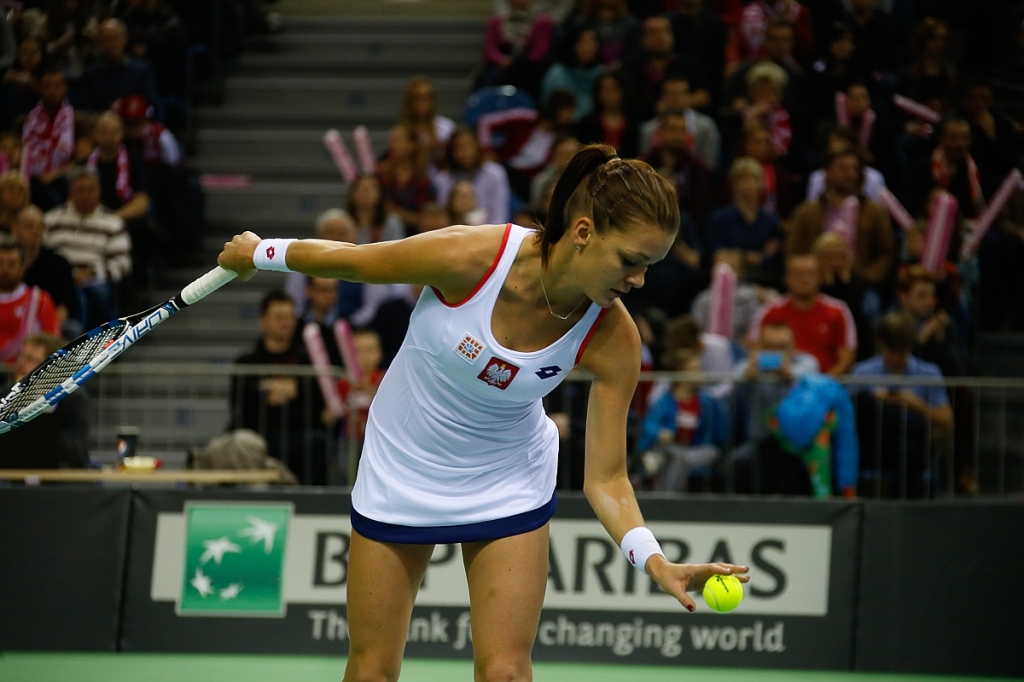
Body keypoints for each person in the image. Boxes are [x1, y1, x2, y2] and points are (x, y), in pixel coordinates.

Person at [217, 144, 749, 681]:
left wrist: (655, 560)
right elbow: (353, 261)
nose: (638, 281)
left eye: (649, 267)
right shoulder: (472, 258)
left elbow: (607, 479)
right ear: (584, 231)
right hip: (403, 459)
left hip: (507, 473)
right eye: (631, 261)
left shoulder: (613, 337)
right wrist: (260, 252)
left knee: (506, 672)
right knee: (372, 669)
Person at [850, 311, 953, 499]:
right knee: (863, 401)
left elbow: (947, 421)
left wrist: (916, 405)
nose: (897, 357)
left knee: (913, 446)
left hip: (911, 443)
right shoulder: (862, 372)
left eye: (902, 351)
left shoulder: (928, 373)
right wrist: (877, 403)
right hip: (874, 443)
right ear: (881, 343)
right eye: (892, 350)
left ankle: (899, 507)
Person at [230, 289, 328, 486]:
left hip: (299, 434)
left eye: (290, 317)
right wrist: (281, 392)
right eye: (279, 317)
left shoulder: (308, 361)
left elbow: (317, 402)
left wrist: (277, 390)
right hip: (259, 434)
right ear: (263, 319)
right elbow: (240, 403)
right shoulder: (247, 361)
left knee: (319, 443)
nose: (286, 323)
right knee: (240, 442)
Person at [787, 148, 895, 289]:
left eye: (854, 169)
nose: (850, 174)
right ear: (827, 171)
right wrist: (807, 276)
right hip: (816, 283)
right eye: (843, 169)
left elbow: (886, 252)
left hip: (861, 283)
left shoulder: (873, 211)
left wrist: (869, 277)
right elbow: (794, 251)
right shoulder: (808, 212)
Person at [43, 167, 131, 328]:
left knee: (96, 293)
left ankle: (101, 339)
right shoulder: (51, 219)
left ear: (99, 192)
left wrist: (94, 273)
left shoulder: (113, 223)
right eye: (80, 190)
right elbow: (41, 254)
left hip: (94, 279)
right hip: (57, 280)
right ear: (70, 193)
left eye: (90, 190)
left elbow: (122, 263)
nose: (85, 195)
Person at [632, 349, 728, 492]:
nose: (701, 373)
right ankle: (668, 497)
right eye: (695, 370)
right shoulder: (664, 400)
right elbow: (649, 425)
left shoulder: (706, 402)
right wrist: (660, 433)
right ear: (681, 374)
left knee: (706, 453)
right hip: (667, 449)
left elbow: (716, 433)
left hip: (693, 451)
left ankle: (665, 497)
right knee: (677, 457)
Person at [750, 253, 857, 375]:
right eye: (798, 274)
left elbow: (846, 359)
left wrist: (821, 383)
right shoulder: (769, 310)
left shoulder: (838, 311)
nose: (805, 280)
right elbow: (755, 350)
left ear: (820, 277)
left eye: (810, 274)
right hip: (778, 380)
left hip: (823, 382)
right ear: (786, 278)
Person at [0, 333, 89, 469]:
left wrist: (42, 407)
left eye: (31, 359)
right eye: (21, 356)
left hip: (56, 476)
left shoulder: (73, 399)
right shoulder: (5, 396)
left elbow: (76, 450)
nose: (22, 363)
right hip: (11, 476)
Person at [706, 157, 783, 286]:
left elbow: (775, 261)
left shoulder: (772, 220)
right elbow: (719, 255)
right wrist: (754, 257)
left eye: (755, 179)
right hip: (731, 281)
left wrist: (740, 256)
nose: (750, 185)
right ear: (733, 184)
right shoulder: (720, 218)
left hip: (766, 281)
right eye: (744, 180)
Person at [10, 205, 79, 332]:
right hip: (9, 323)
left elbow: (64, 308)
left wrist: (44, 330)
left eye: (40, 226)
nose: (36, 231)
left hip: (47, 329)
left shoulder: (59, 264)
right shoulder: (5, 263)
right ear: (15, 228)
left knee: (72, 329)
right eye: (29, 226)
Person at [637, 73, 720, 171]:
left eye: (681, 93)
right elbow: (643, 167)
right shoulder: (648, 129)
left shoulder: (706, 126)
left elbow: (709, 165)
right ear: (663, 97)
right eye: (672, 94)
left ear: (689, 95)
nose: (677, 98)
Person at [74, 18, 160, 112]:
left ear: (125, 39)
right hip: (102, 119)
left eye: (115, 38)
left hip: (134, 117)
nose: (111, 44)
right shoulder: (91, 74)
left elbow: (150, 104)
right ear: (99, 43)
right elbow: (84, 108)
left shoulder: (142, 70)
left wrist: (125, 105)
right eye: (106, 39)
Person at [431, 126, 510, 225]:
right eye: (459, 147)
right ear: (451, 152)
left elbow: (500, 215)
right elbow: (443, 215)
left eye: (469, 145)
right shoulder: (442, 179)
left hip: (489, 230)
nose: (465, 152)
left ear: (477, 146)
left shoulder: (495, 174)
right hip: (454, 230)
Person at [22, 67, 75, 211]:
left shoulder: (76, 119)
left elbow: (84, 156)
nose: (52, 90)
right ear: (39, 87)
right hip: (31, 178)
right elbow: (22, 150)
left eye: (57, 85)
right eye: (47, 85)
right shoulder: (28, 119)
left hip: (62, 178)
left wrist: (55, 174)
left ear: (65, 87)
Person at [0, 242, 61, 366]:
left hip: (27, 372)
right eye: (0, 263)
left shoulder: (40, 301)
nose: (5, 269)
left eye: (12, 264)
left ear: (23, 268)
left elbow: (52, 345)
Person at [478, 0, 553, 97]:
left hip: (528, 64)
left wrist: (520, 62)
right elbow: (490, 49)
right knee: (492, 77)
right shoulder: (496, 22)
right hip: (503, 63)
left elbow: (541, 50)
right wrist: (502, 60)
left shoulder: (542, 21)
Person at [375, 123, 436, 233]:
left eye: (397, 140)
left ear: (412, 144)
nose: (392, 145)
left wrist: (398, 213)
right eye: (391, 140)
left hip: (417, 234)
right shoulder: (381, 174)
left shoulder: (423, 179)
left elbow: (426, 217)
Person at [540, 28, 604, 121]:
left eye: (592, 41)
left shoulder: (602, 74)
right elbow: (547, 106)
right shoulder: (557, 73)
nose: (588, 47)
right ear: (572, 44)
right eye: (583, 41)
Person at [571, 70, 639, 157]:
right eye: (605, 89)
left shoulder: (633, 124)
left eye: (614, 88)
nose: (609, 93)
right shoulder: (587, 123)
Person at [345, 175, 405, 245]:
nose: (365, 193)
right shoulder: (342, 221)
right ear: (352, 193)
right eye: (361, 188)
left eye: (370, 189)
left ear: (379, 193)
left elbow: (398, 247)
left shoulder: (392, 222)